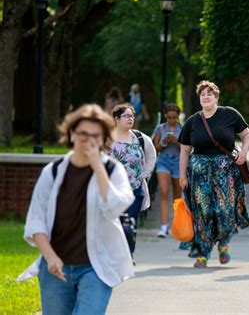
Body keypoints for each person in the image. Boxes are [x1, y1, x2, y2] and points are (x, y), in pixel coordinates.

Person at [19, 104, 134, 314]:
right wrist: (50, 257)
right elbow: (36, 221)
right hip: (56, 266)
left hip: (96, 268)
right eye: (83, 133)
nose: (88, 140)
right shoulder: (52, 172)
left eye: (95, 135)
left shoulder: (111, 170)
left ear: (103, 138)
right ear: (72, 134)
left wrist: (97, 167)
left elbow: (116, 206)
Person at [178, 80, 249, 268]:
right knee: (203, 212)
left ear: (216, 97)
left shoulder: (229, 114)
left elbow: (247, 134)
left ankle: (223, 243)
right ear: (199, 98)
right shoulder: (193, 121)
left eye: (209, 93)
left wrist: (244, 151)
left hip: (226, 172)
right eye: (202, 93)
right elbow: (184, 151)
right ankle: (203, 254)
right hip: (199, 174)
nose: (206, 96)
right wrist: (182, 176)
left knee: (224, 210)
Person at [110, 103, 156, 259]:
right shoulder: (107, 139)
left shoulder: (140, 138)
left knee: (129, 224)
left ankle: (129, 256)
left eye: (132, 116)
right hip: (113, 192)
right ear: (117, 118)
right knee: (115, 225)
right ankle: (116, 255)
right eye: (126, 116)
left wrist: (144, 174)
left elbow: (151, 156)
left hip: (135, 190)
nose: (130, 119)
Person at [153, 103, 182, 238]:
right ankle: (164, 226)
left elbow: (187, 148)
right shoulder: (160, 128)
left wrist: (176, 141)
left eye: (174, 118)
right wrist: (164, 142)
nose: (171, 120)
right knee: (164, 192)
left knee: (177, 196)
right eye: (169, 117)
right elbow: (155, 149)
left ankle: (177, 225)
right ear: (165, 116)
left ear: (178, 117)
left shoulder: (182, 129)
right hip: (163, 161)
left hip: (177, 162)